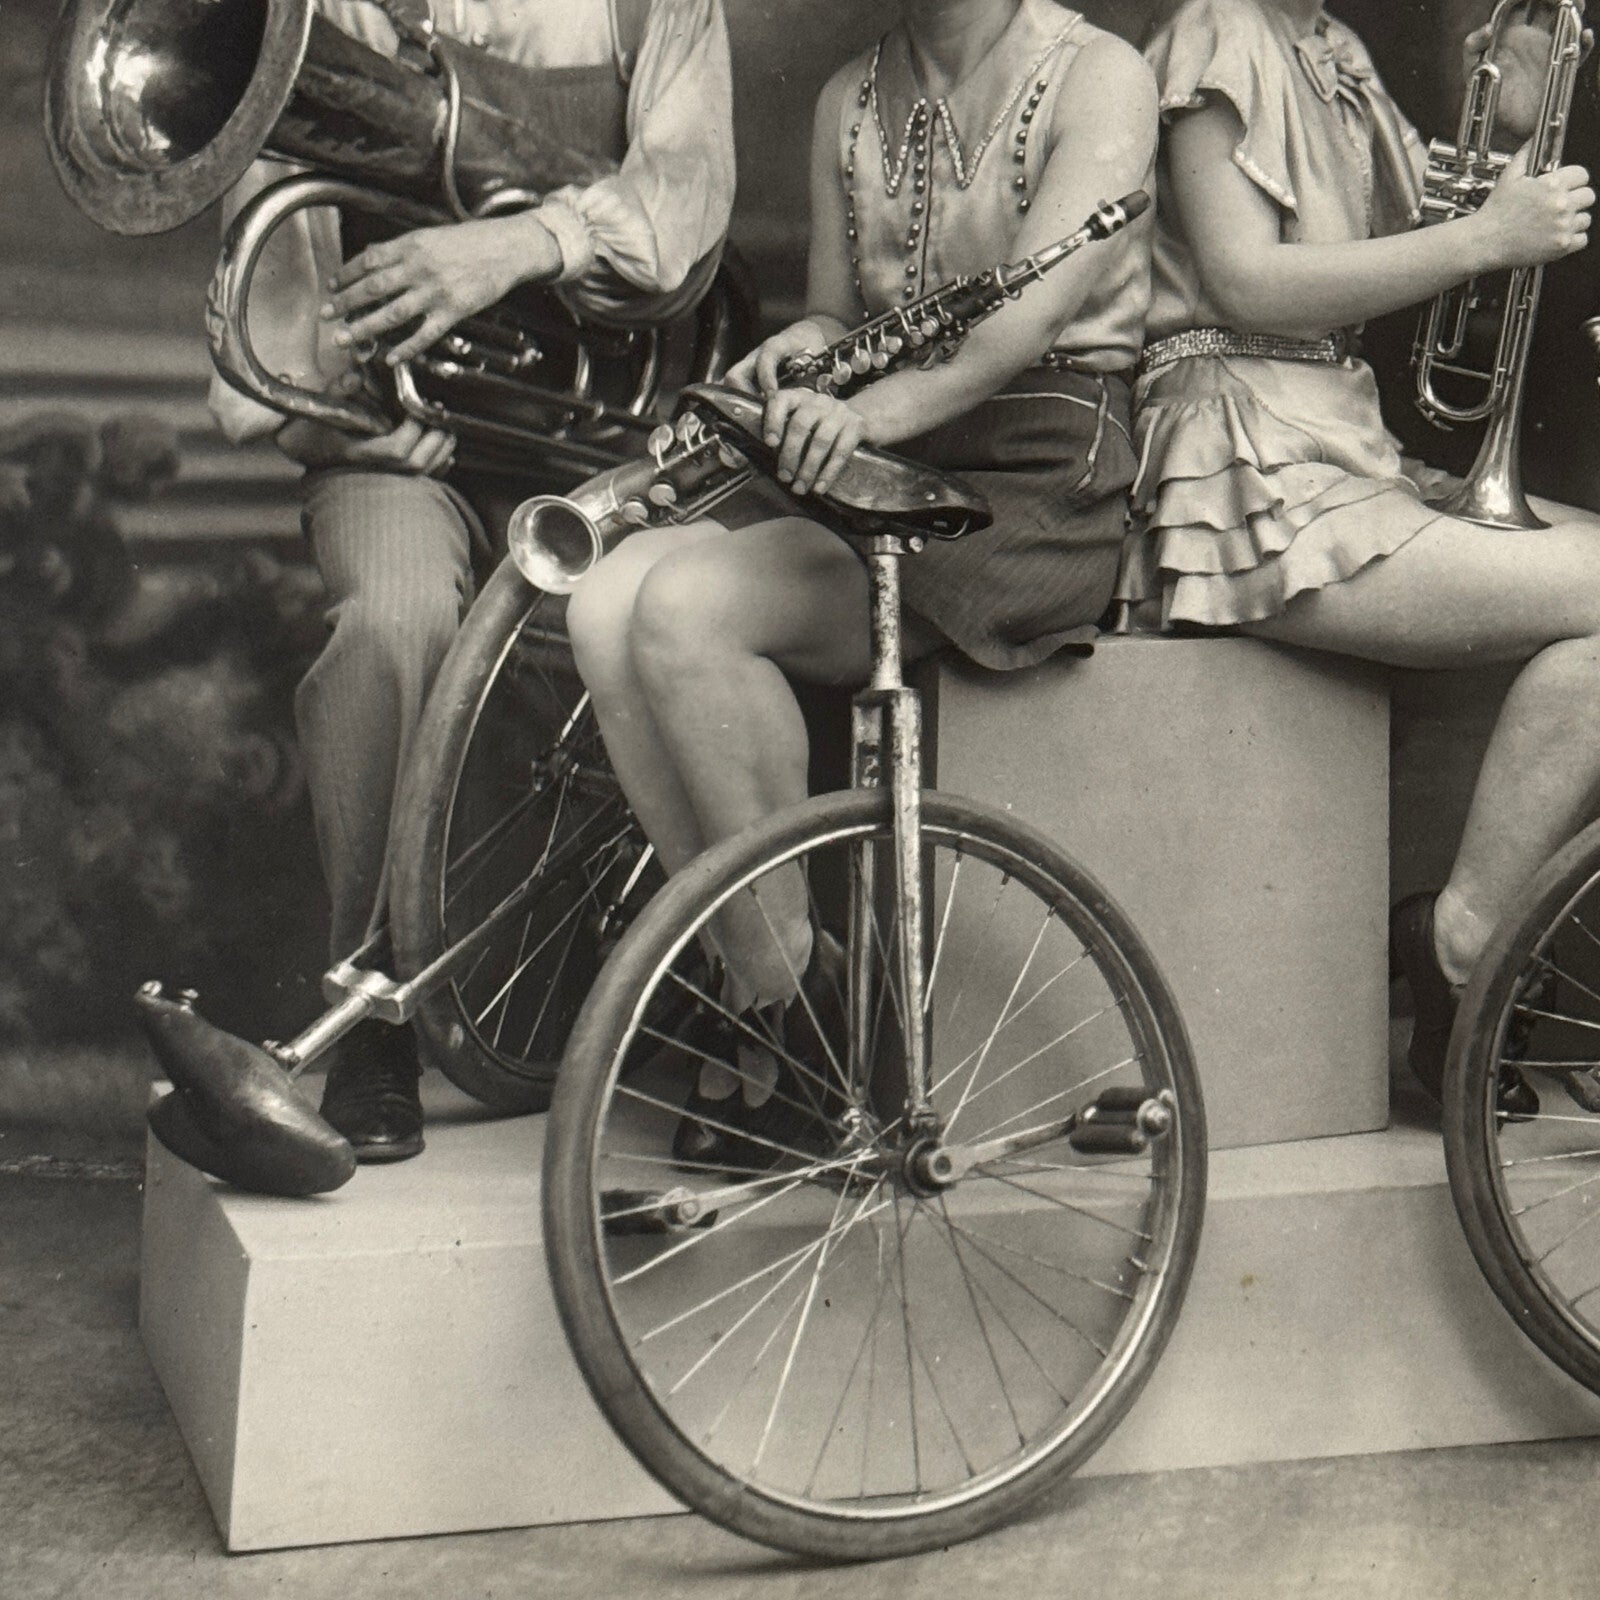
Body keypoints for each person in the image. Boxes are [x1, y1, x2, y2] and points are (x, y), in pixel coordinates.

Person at [565, 0, 1158, 1164]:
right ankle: (779, 979)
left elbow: (1015, 333)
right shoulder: (850, 96)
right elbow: (841, 308)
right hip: (883, 455)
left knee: (687, 612)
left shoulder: (1103, 75)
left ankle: (792, 1023)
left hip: (1034, 473)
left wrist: (854, 415)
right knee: (601, 600)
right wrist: (804, 350)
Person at [209, 0, 736, 1161]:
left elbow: (685, 208)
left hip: (594, 440)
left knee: (673, 624)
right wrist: (331, 421)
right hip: (401, 446)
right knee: (390, 624)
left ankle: (693, 1000)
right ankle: (371, 1018)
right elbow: (275, 284)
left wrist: (508, 244)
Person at [1118, 0, 1599, 1109]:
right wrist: (1487, 232)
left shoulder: (1331, 51)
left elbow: (1402, 244)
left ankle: (1455, 932)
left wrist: (1514, 140)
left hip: (1336, 443)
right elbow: (1244, 280)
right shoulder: (1217, 28)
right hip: (1242, 458)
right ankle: (1462, 949)